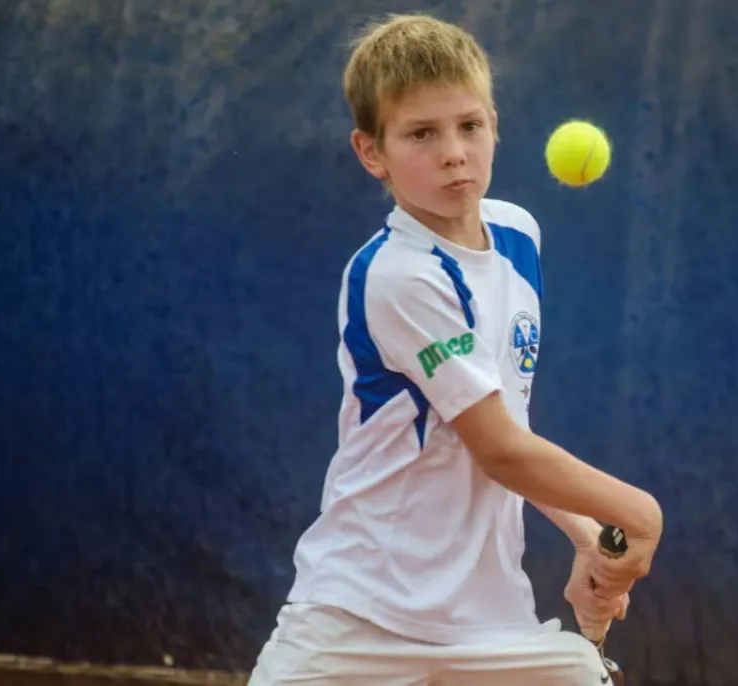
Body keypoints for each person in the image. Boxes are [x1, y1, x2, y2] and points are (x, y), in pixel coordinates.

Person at [247, 13, 663, 686]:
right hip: (361, 614)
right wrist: (637, 513)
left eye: (469, 126)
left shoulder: (518, 237)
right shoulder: (398, 276)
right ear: (371, 151)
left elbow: (504, 420)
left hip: (488, 622)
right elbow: (496, 445)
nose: (454, 152)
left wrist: (585, 532)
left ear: (495, 124)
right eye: (421, 134)